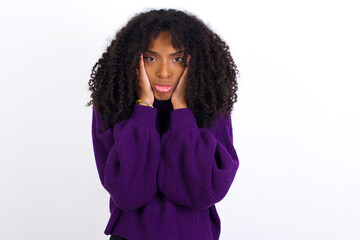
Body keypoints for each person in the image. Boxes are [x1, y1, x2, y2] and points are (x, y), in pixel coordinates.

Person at [87, 8, 240, 240]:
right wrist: (144, 110)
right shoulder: (112, 105)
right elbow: (128, 194)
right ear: (132, 59)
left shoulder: (212, 106)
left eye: (177, 59)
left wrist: (182, 111)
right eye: (151, 58)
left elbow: (202, 193)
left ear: (194, 62)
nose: (164, 72)